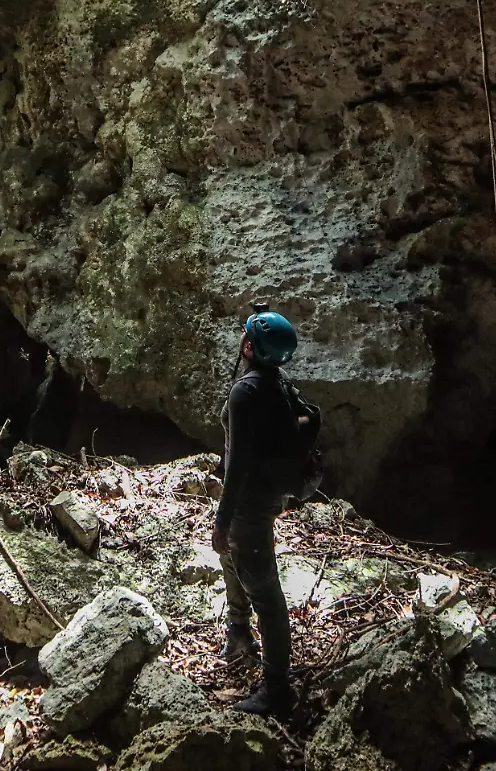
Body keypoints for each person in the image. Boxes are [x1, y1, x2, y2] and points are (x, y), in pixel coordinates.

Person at [213, 306, 313, 717]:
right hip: (268, 497)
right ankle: (238, 632)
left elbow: (237, 463)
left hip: (249, 504)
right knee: (230, 557)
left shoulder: (245, 392)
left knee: (267, 596)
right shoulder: (279, 384)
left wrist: (222, 519)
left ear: (250, 347)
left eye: (244, 336)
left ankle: (276, 691)